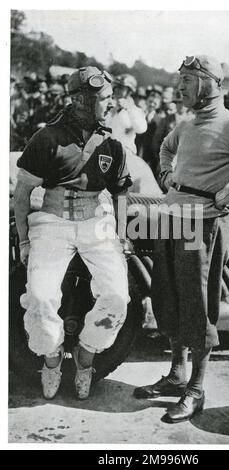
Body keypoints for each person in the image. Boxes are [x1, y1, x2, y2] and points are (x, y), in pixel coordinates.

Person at [134, 55, 229, 423]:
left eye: (186, 79)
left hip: (204, 223)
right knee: (166, 296)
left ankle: (197, 389)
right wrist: (167, 172)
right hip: (172, 217)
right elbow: (165, 149)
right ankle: (176, 375)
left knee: (197, 305)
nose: (179, 86)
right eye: (179, 79)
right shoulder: (186, 123)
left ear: (207, 82)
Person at [14, 66, 132, 400]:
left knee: (117, 297)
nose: (111, 104)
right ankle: (51, 359)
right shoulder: (46, 138)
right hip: (51, 224)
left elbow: (121, 194)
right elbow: (23, 195)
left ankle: (86, 357)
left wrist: (121, 237)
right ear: (81, 100)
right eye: (104, 98)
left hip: (96, 223)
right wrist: (24, 240)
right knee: (39, 296)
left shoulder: (112, 142)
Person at [107, 73, 147, 156]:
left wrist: (130, 109)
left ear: (129, 91)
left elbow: (141, 129)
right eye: (116, 86)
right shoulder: (108, 105)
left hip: (126, 152)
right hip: (107, 150)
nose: (117, 89)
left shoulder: (135, 110)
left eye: (121, 88)